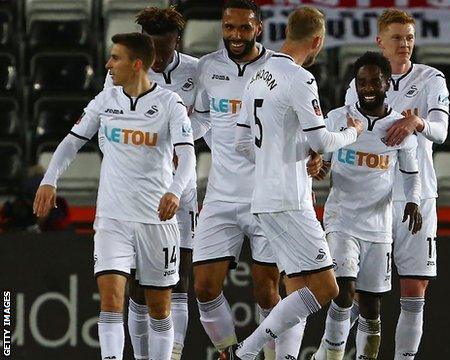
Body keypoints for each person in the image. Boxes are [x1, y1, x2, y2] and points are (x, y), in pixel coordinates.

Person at [33, 33, 196, 360]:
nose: (108, 64)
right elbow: (70, 142)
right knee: (110, 301)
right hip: (112, 219)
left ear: (136, 64)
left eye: (115, 58)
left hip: (156, 221)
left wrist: (175, 192)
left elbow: (188, 156)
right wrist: (49, 180)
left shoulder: (168, 104)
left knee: (159, 307)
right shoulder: (105, 100)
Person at [226, 6, 364, 360]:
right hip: (290, 200)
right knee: (326, 288)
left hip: (264, 198)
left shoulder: (256, 75)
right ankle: (246, 352)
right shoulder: (300, 79)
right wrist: (353, 131)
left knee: (299, 289)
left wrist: (292, 152)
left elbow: (242, 143)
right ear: (317, 40)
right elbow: (323, 142)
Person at [187, 1, 320, 359]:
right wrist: (183, 141)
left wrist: (314, 151)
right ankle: (230, 353)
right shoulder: (207, 67)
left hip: (267, 196)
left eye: (244, 28)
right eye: (228, 27)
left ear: (258, 29)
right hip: (220, 195)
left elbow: (303, 124)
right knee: (203, 287)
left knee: (266, 292)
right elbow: (201, 121)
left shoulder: (277, 69)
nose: (235, 35)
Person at [343, 9, 450, 359]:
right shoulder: (358, 85)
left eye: (409, 37)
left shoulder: (432, 78)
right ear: (380, 42)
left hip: (419, 196)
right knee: (360, 290)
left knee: (414, 285)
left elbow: (442, 132)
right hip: (374, 197)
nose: (404, 44)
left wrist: (417, 122)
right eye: (396, 38)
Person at [312, 51, 422, 360]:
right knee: (342, 292)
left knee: (372, 308)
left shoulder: (399, 127)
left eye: (375, 81)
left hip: (378, 226)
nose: (368, 87)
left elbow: (411, 175)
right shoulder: (338, 118)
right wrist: (319, 168)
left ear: (387, 83)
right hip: (341, 219)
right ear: (355, 84)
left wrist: (413, 200)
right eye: (362, 81)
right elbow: (324, 163)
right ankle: (332, 356)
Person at [104, 7, 198, 360]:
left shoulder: (195, 71)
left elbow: (206, 116)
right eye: (152, 50)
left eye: (165, 49)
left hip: (180, 192)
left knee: (177, 286)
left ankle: (171, 356)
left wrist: (181, 141)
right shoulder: (125, 73)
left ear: (177, 41)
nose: (158, 59)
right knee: (140, 291)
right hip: (137, 198)